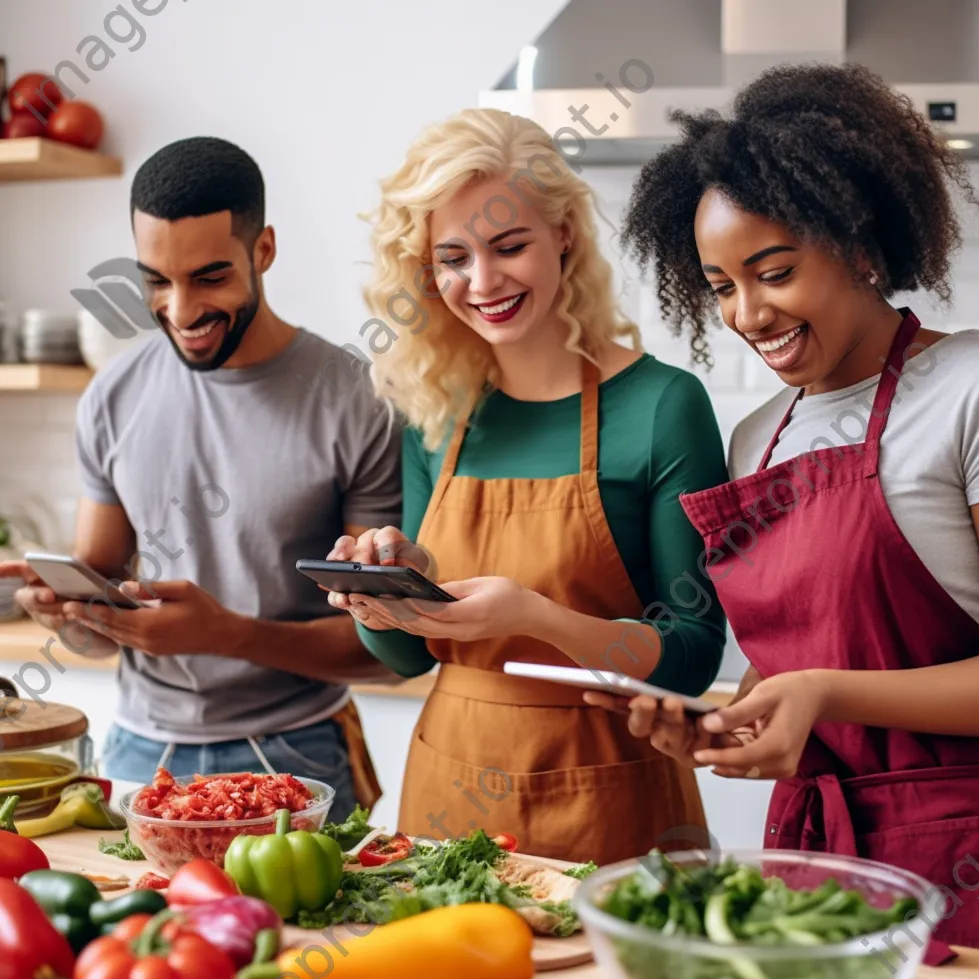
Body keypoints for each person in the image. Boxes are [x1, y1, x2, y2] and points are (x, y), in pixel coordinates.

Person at [594, 62, 979, 956]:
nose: (747, 313)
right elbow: (798, 666)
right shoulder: (759, 438)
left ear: (860, 244)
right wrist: (721, 722)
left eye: (773, 271)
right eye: (719, 285)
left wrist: (823, 695)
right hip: (820, 872)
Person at [325, 108, 729, 864]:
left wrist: (539, 617)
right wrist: (382, 599)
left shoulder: (662, 407)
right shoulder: (436, 413)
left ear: (565, 234)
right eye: (453, 258)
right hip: (449, 787)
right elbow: (409, 660)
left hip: (614, 795)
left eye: (509, 245)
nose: (483, 282)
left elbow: (693, 656)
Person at [0, 137, 402, 822]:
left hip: (296, 757)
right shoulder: (113, 395)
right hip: (136, 758)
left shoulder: (355, 399)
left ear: (264, 250)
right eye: (156, 279)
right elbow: (101, 621)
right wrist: (66, 613)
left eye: (210, 278)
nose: (181, 310)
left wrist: (228, 634)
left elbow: (387, 646)